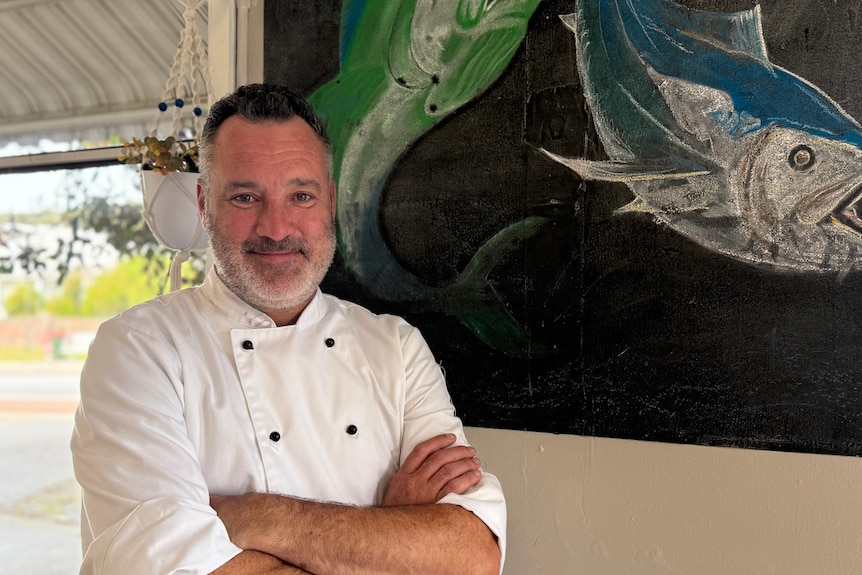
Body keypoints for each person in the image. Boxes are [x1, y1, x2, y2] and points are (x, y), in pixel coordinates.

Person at [70, 84, 506, 575]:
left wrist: (259, 517)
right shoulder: (138, 351)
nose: (276, 228)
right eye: (244, 196)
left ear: (331, 201)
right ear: (203, 201)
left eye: (301, 195)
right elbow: (163, 564)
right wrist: (390, 529)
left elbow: (472, 555)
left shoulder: (396, 348)